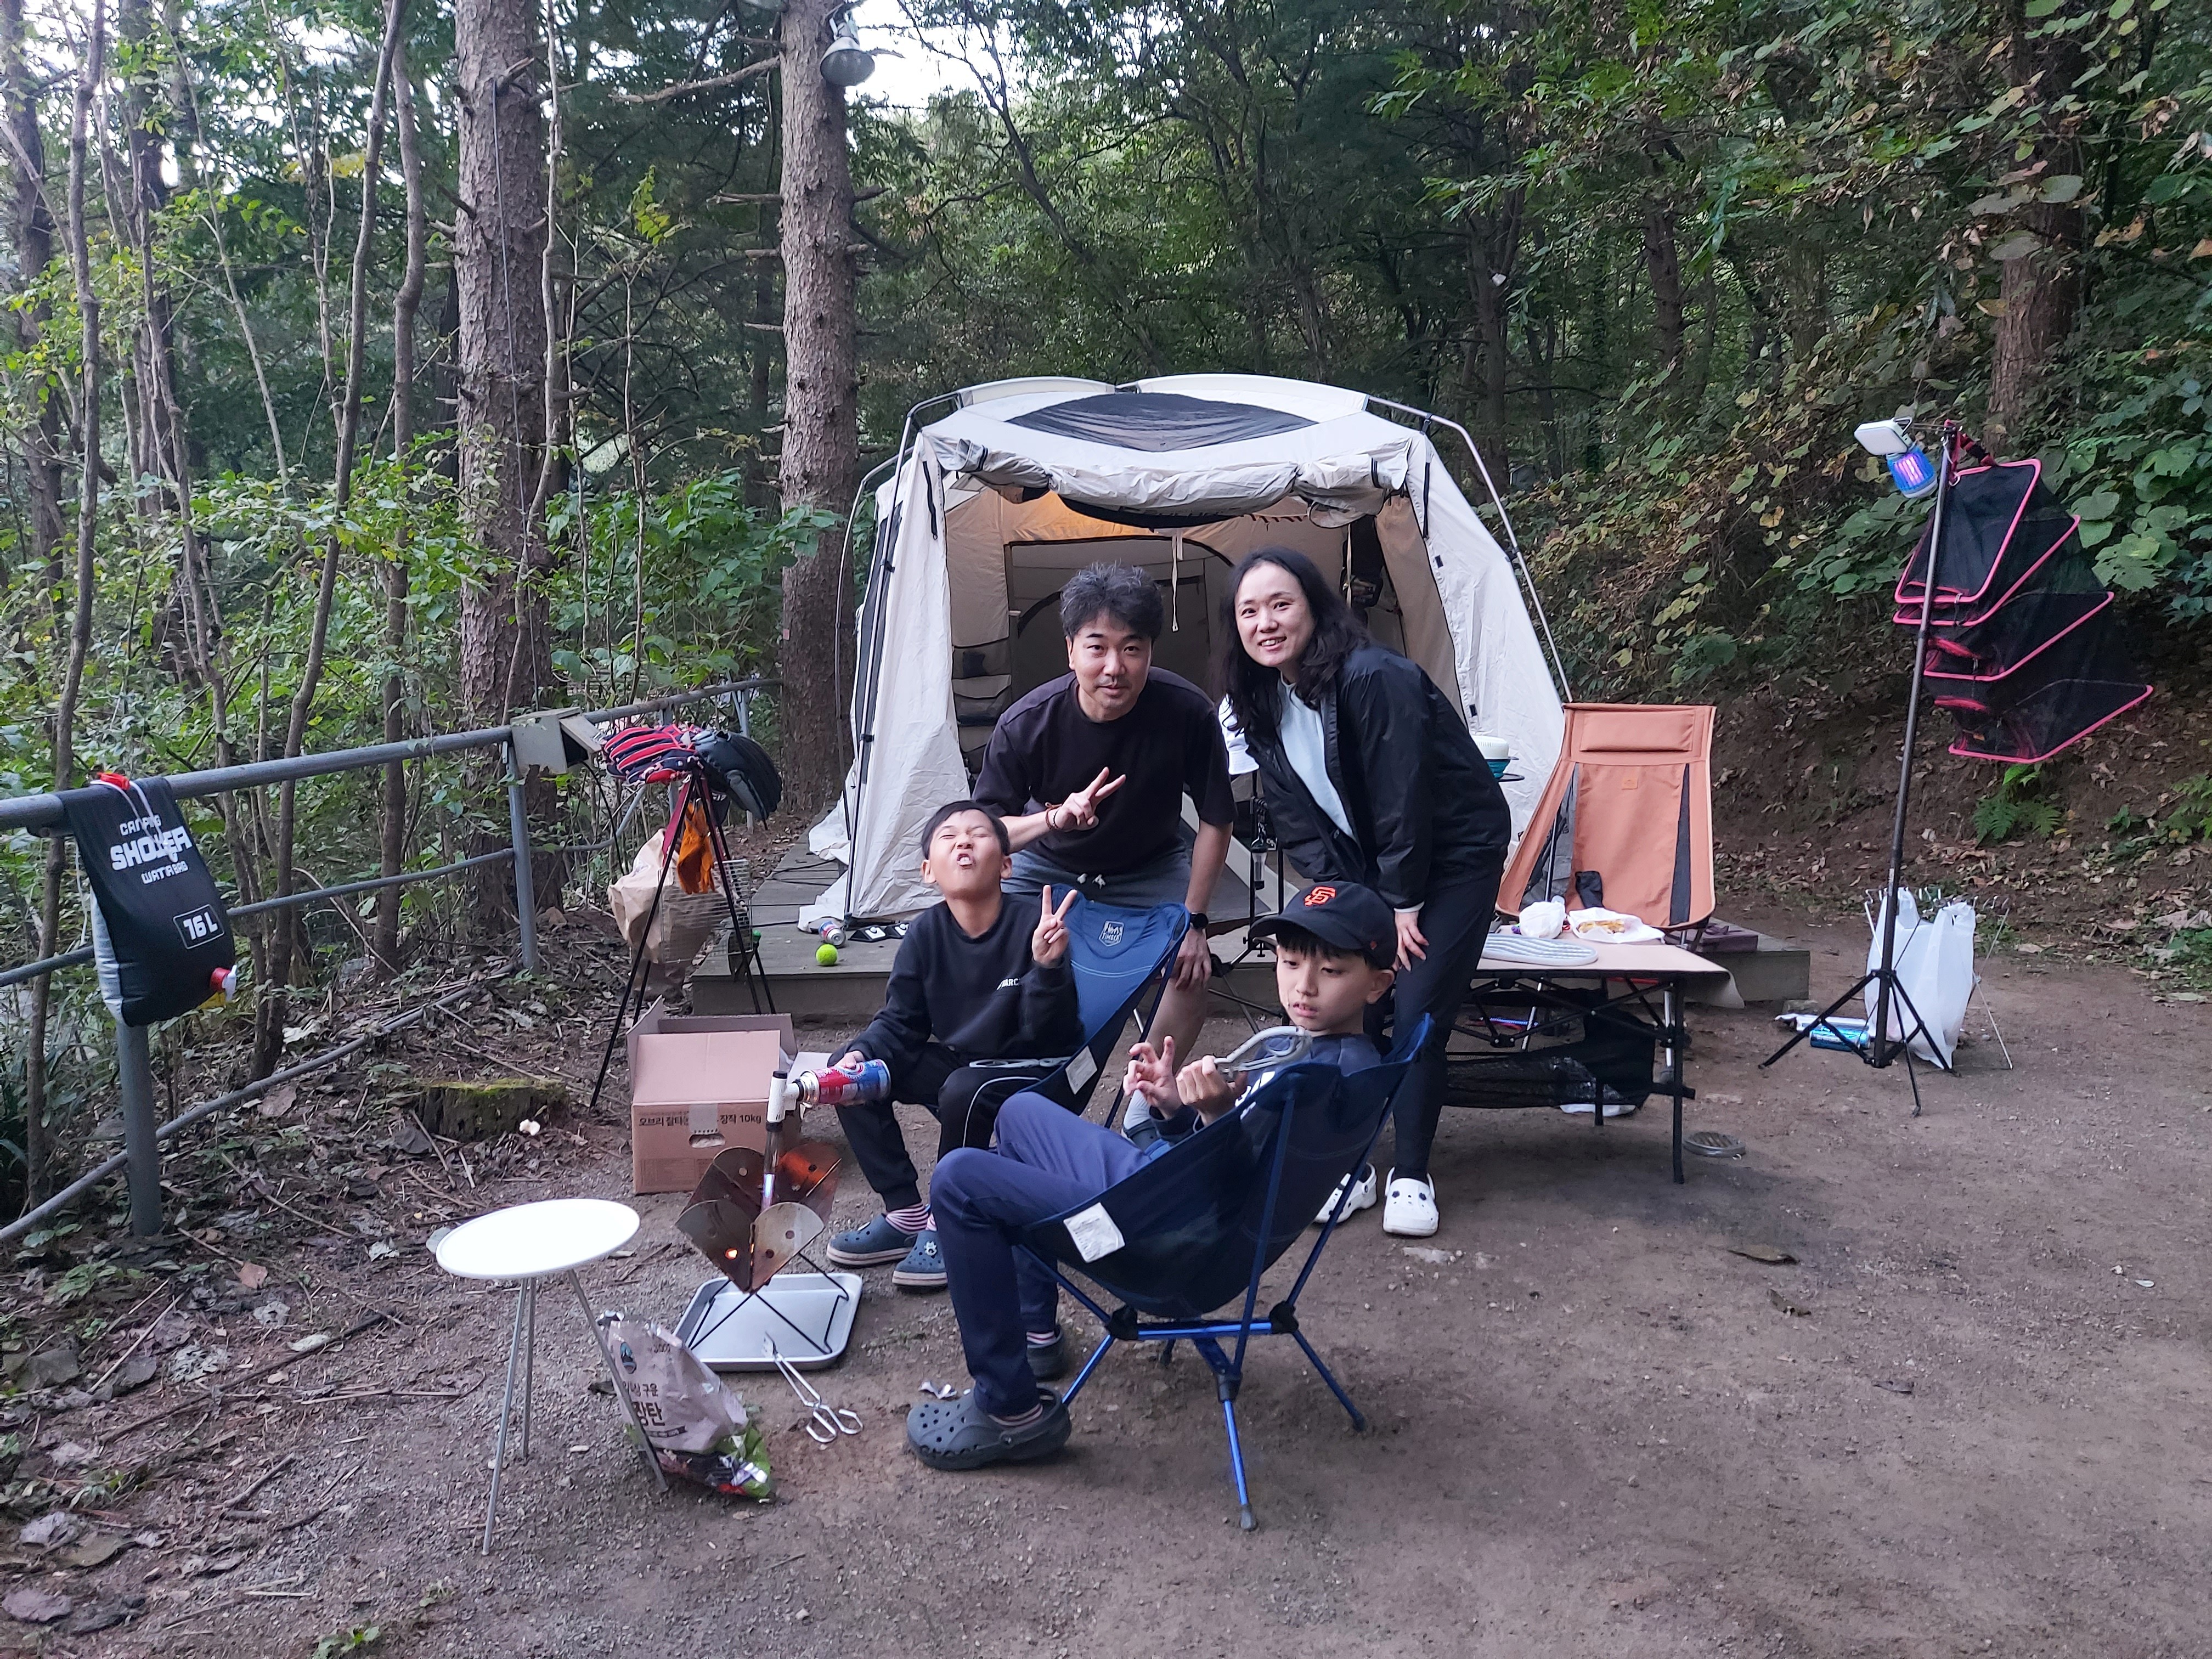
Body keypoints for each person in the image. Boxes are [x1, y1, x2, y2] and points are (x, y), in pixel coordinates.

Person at [905, 882, 1397, 1471]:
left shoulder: (1316, 1085)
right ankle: (1035, 1337)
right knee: (1019, 1112)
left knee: (960, 1179)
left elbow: (1232, 1187)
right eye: (1290, 964)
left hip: (1161, 1244)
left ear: (1377, 984)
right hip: (1169, 1197)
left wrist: (1216, 1116)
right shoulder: (1328, 1058)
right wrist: (1177, 1109)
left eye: (1331, 970)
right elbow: (1235, 1173)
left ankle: (1010, 1411)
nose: (1304, 987)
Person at [1216, 546, 1511, 1239]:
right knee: (1343, 999)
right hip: (1370, 867)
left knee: (1415, 1003)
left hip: (1455, 858)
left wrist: (1403, 903)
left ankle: (1411, 1172)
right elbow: (1296, 819)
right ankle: (1346, 1165)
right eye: (1249, 612)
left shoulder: (1373, 677)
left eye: (1281, 604)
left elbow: (1402, 795)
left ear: (1315, 607)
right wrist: (1345, 905)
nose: (1265, 623)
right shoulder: (1259, 702)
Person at [973, 561, 1233, 1066]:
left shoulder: (1187, 712)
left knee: (1189, 969)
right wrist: (1054, 819)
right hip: (1047, 866)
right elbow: (988, 832)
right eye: (1098, 648)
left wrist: (1196, 920)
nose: (1115, 667)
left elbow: (1217, 819)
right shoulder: (1027, 723)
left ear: (1150, 652)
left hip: (1149, 866)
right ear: (1070, 650)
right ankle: (1015, 1076)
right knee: (989, 943)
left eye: (1132, 648)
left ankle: (1149, 1095)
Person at [823, 802, 1086, 1290]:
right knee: (849, 1073)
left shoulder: (1035, 924)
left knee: (966, 1088)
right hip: (966, 1066)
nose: (963, 842)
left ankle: (950, 1219)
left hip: (1037, 1068)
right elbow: (901, 1022)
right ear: (928, 871)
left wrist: (1047, 969)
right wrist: (861, 1054)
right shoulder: (925, 934)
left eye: (978, 834)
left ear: (1006, 865)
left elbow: (1050, 1032)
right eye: (949, 836)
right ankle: (905, 1213)